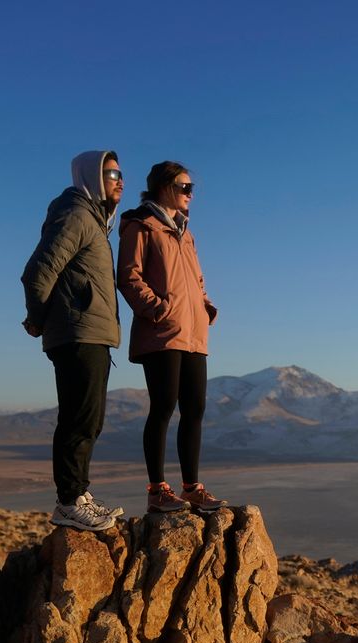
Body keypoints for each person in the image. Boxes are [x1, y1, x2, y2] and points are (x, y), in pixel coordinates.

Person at [20, 150, 126, 531]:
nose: (119, 180)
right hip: (77, 332)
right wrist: (38, 320)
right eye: (111, 173)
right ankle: (68, 501)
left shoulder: (95, 221)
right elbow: (36, 273)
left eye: (119, 174)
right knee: (79, 418)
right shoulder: (76, 214)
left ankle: (78, 495)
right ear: (90, 176)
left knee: (89, 419)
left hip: (91, 333)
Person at [117, 161, 227, 513]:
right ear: (165, 187)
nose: (190, 194)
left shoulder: (186, 232)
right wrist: (157, 309)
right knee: (163, 407)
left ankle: (192, 487)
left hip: (193, 331)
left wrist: (205, 305)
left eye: (191, 188)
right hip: (162, 332)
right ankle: (157, 490)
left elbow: (196, 279)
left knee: (195, 408)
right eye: (185, 187)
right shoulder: (141, 226)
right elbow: (129, 277)